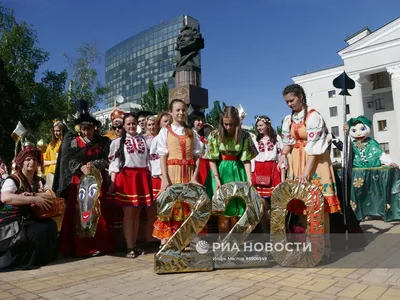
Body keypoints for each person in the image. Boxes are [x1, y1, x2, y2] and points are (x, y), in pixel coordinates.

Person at [278, 84, 341, 258]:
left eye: (292, 100)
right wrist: (283, 156)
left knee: (320, 205)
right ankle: (308, 244)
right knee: (304, 205)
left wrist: (306, 171)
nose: (289, 104)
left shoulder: (314, 117)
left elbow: (316, 147)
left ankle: (324, 246)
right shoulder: (288, 119)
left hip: (316, 161)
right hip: (298, 160)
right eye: (287, 102)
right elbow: (288, 142)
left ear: (301, 97)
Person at [55, 100, 115, 257]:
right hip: (79, 181)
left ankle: (97, 245)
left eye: (89, 128)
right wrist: (80, 167)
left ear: (94, 128)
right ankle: (80, 247)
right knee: (79, 212)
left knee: (97, 211)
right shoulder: (74, 141)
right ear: (80, 129)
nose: (86, 131)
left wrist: (94, 165)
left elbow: (106, 159)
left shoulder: (101, 142)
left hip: (96, 180)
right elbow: (68, 160)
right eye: (83, 128)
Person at [152, 100, 202, 245]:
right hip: (173, 174)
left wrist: (194, 177)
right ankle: (168, 246)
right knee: (171, 208)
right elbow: (163, 156)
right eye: (178, 110)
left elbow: (197, 156)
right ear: (171, 112)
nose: (181, 113)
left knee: (188, 209)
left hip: (188, 174)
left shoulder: (192, 133)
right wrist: (165, 180)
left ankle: (186, 244)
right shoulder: (165, 131)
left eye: (183, 110)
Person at [0, 146, 57, 270]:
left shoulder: (38, 181)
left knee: (50, 225)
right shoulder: (13, 180)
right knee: (37, 231)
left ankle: (41, 259)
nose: (31, 162)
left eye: (34, 160)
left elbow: (50, 195)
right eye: (28, 159)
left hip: (30, 217)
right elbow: (5, 197)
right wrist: (31, 199)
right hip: (12, 220)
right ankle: (23, 260)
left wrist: (33, 194)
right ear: (22, 162)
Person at [203, 106, 258, 233]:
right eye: (225, 124)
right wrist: (216, 178)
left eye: (231, 124)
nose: (228, 127)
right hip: (220, 172)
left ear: (237, 122)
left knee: (237, 209)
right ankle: (224, 245)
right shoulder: (214, 135)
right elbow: (211, 158)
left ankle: (235, 244)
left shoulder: (245, 136)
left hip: (238, 172)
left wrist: (249, 179)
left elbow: (246, 159)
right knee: (223, 209)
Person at [109, 113, 155, 258]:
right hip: (126, 178)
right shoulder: (117, 142)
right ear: (123, 126)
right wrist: (112, 182)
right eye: (128, 124)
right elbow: (114, 164)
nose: (131, 126)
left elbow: (149, 160)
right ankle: (129, 247)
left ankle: (134, 245)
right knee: (129, 214)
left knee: (137, 214)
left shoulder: (145, 140)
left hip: (141, 177)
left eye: (133, 123)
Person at [251, 115, 283, 232]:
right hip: (259, 170)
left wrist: (283, 177)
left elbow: (281, 158)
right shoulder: (255, 140)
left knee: (276, 204)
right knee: (262, 205)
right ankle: (265, 232)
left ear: (268, 125)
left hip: (273, 170)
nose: (259, 128)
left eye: (261, 125)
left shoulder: (276, 138)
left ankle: (276, 231)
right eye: (257, 125)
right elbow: (252, 158)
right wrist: (252, 174)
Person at [43, 121, 67, 189]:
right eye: (54, 131)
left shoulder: (67, 143)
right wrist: (54, 162)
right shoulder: (51, 145)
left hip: (63, 174)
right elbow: (44, 162)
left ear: (63, 131)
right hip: (51, 174)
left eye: (58, 131)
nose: (56, 133)